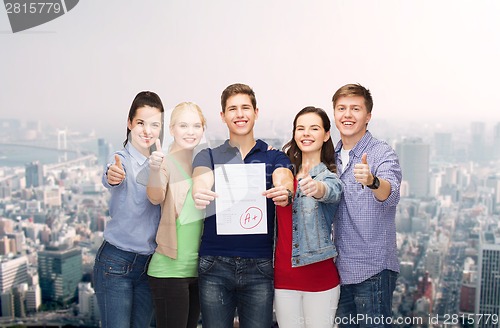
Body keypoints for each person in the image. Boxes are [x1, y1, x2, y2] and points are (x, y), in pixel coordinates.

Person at [192, 83, 294, 328]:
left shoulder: (274, 156)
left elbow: (284, 176)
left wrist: (285, 190)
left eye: (245, 108)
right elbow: (201, 176)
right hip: (214, 263)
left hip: (259, 265)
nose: (240, 114)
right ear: (223, 116)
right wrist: (199, 189)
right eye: (232, 109)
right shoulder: (208, 155)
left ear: (256, 112)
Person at [331, 84, 402, 328]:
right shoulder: (331, 156)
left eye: (355, 109)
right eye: (341, 108)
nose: (347, 115)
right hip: (338, 270)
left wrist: (372, 181)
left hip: (372, 271)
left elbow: (390, 192)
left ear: (368, 116)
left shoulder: (381, 153)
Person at [93, 91, 164, 328]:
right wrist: (112, 176)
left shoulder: (161, 163)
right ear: (129, 123)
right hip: (115, 263)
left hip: (149, 266)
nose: (147, 131)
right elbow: (111, 175)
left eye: (154, 124)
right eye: (141, 123)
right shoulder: (120, 160)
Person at [274, 106, 343, 328]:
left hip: (320, 280)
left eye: (314, 128)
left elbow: (331, 191)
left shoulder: (328, 177)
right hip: (283, 280)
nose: (306, 133)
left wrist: (316, 188)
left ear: (326, 135)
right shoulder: (283, 174)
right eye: (300, 128)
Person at [146, 102, 206, 328]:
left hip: (196, 270)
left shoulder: (200, 165)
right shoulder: (164, 163)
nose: (190, 132)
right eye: (183, 125)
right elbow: (155, 195)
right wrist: (154, 168)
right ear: (171, 129)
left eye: (196, 126)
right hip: (169, 271)